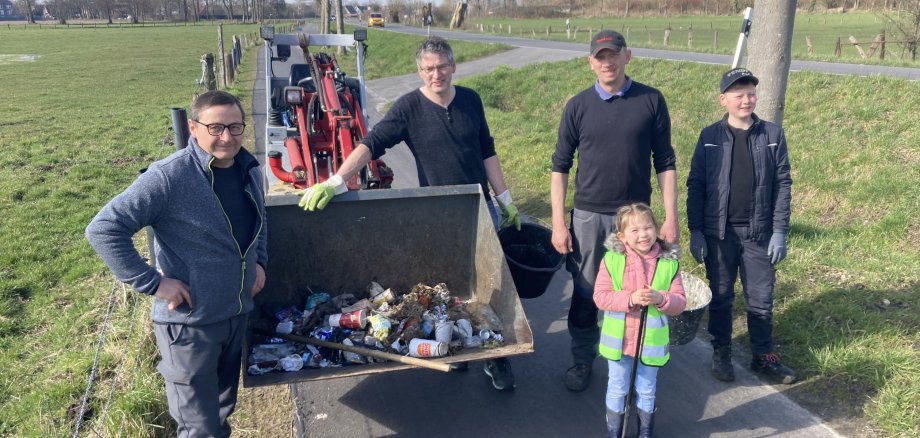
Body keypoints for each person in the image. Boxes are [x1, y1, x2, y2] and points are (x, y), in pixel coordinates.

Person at [297, 36, 521, 391]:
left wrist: (505, 200)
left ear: (453, 66)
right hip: (438, 216)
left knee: (492, 287)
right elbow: (370, 144)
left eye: (442, 66)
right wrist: (336, 181)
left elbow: (487, 152)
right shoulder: (408, 108)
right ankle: (456, 347)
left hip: (480, 209)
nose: (437, 74)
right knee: (449, 290)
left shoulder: (471, 101)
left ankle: (497, 357)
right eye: (429, 68)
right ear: (420, 71)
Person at [85, 90, 268, 437]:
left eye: (235, 126)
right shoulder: (169, 177)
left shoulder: (250, 170)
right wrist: (153, 283)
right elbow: (103, 229)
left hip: (235, 314)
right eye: (215, 128)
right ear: (193, 128)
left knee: (221, 413)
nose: (227, 137)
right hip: (190, 326)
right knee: (198, 428)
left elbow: (261, 224)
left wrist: (260, 262)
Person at [551, 30, 679, 393]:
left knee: (638, 291)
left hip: (635, 218)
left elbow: (665, 162)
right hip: (589, 216)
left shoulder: (651, 100)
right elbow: (560, 166)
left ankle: (628, 358)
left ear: (628, 56)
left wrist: (670, 218)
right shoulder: (577, 106)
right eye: (599, 56)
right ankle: (582, 359)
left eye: (613, 54)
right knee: (587, 291)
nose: (606, 62)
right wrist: (560, 222)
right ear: (591, 62)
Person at [686, 67, 796, 384]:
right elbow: (696, 185)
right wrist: (695, 230)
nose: (746, 100)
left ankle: (763, 356)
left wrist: (779, 231)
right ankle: (721, 351)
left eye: (750, 94)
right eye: (738, 95)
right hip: (720, 234)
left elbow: (783, 185)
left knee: (761, 298)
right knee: (721, 296)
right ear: (724, 100)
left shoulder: (772, 136)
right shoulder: (709, 138)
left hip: (759, 234)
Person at [594, 203, 686, 438]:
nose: (643, 234)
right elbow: (601, 297)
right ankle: (615, 432)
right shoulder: (612, 261)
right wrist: (630, 298)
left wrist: (661, 298)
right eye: (634, 231)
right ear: (622, 236)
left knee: (646, 390)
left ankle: (645, 433)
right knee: (618, 388)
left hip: (650, 345)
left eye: (647, 227)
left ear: (656, 229)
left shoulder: (669, 263)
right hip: (619, 344)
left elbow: (679, 303)